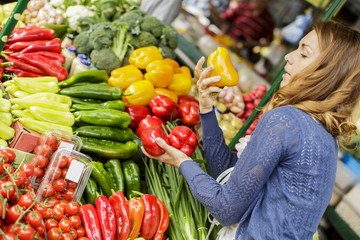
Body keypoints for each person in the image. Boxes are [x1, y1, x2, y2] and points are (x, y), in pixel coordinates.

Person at [141, 21, 360, 239]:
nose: (288, 56)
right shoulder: (322, 136)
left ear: (327, 74)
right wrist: (207, 108)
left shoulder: (287, 120)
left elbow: (226, 210)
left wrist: (182, 162)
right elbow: (227, 174)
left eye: (304, 54)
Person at [210, 0, 275, 62]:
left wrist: (252, 43)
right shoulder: (243, 7)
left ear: (266, 3)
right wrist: (213, 11)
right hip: (227, 42)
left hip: (243, 52)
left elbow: (268, 43)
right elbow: (222, 19)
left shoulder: (268, 21)